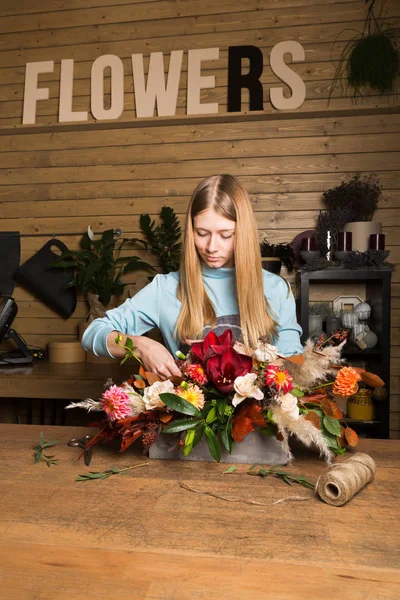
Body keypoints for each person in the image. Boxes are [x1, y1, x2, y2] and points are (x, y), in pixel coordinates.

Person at [82, 174, 303, 379]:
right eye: (202, 233)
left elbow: (295, 364)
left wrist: (234, 354)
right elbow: (93, 333)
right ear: (191, 230)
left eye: (226, 235)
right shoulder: (165, 288)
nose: (211, 247)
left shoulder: (275, 289)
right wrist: (140, 345)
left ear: (242, 233)